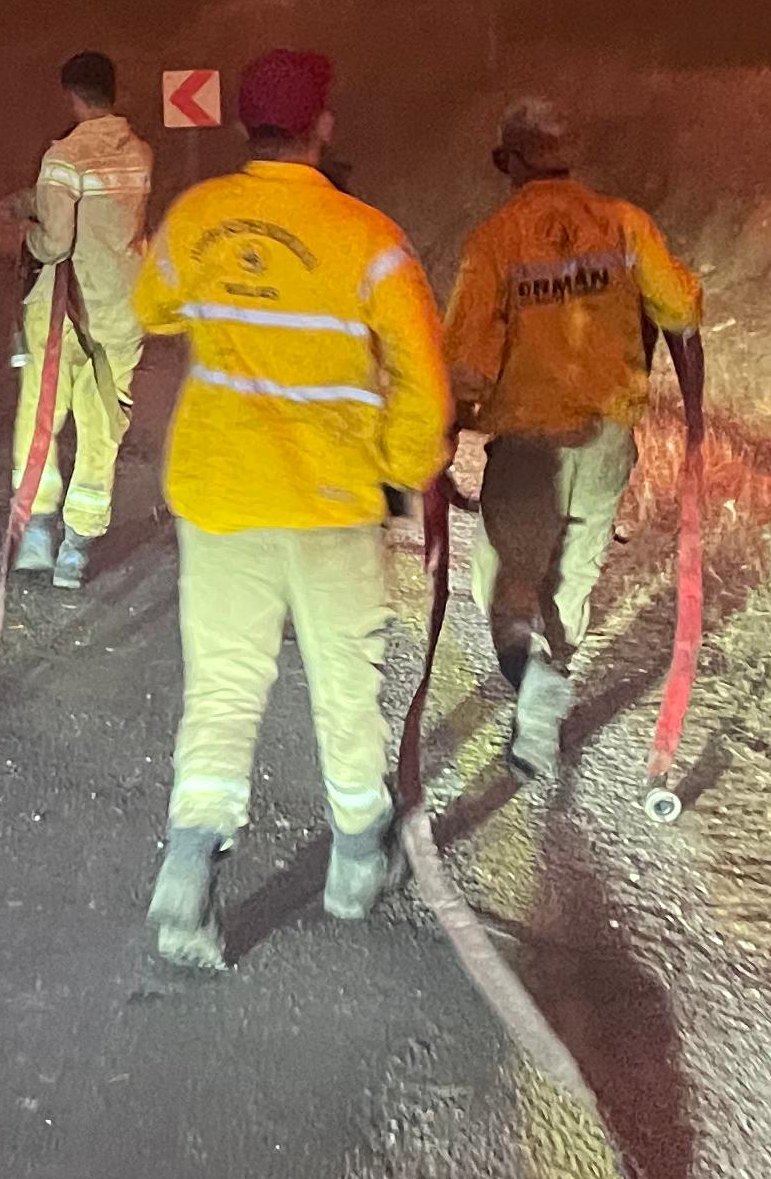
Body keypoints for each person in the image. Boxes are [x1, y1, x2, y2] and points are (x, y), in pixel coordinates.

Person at [129, 48, 452, 969]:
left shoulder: (198, 218)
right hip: (332, 506)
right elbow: (426, 389)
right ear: (324, 126)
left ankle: (189, 871)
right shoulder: (371, 240)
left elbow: (153, 308)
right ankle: (356, 862)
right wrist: (400, 470)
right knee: (348, 682)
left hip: (222, 500)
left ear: (243, 125)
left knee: (223, 687)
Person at [443, 98, 705, 787]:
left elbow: (467, 361)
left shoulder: (495, 240)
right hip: (606, 443)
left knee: (508, 588)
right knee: (573, 583)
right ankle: (544, 713)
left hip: (529, 448)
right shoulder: (624, 225)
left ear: (510, 162)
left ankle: (534, 690)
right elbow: (680, 307)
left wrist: (444, 432)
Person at [10, 50, 152, 588]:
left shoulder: (64, 156)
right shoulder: (140, 154)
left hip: (62, 314)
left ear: (71, 95)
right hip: (118, 313)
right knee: (102, 427)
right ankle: (77, 550)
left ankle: (39, 532)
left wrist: (27, 230)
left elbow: (56, 241)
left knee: (42, 413)